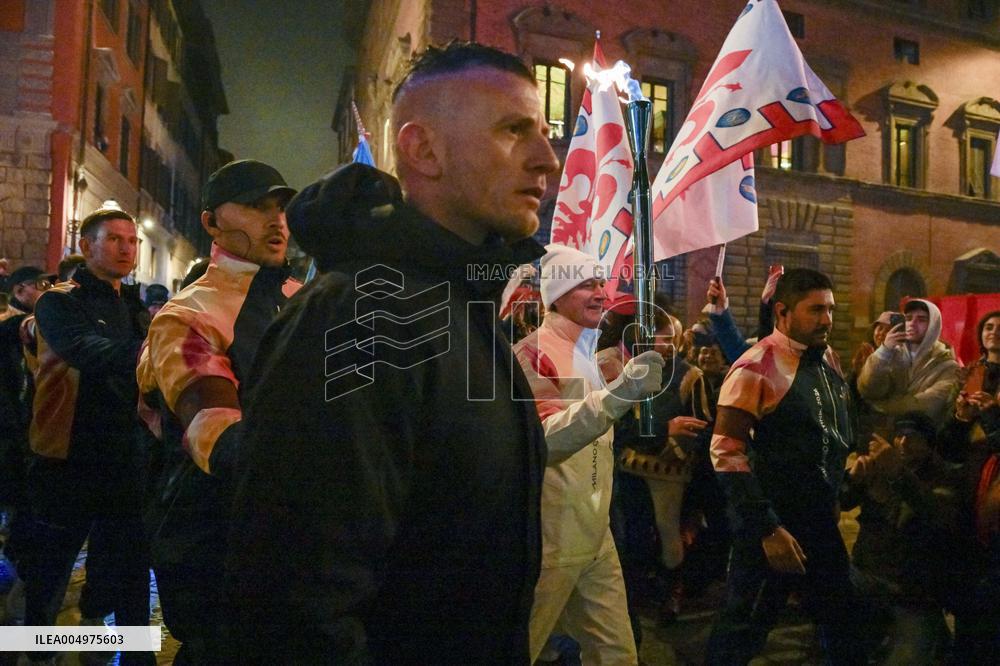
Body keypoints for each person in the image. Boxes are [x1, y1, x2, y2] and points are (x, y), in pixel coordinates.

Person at [224, 42, 560, 663]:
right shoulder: (359, 314)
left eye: (544, 132)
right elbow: (298, 606)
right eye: (515, 131)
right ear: (424, 149)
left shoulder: (464, 301)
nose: (546, 159)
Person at [136, 159, 299, 663]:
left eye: (280, 208)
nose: (276, 221)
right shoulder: (189, 314)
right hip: (218, 540)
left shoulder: (303, 300)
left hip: (297, 537)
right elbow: (215, 433)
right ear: (211, 222)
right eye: (256, 207)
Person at [705, 268, 865, 664]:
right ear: (782, 312)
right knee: (742, 629)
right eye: (815, 310)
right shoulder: (753, 367)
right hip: (772, 527)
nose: (827, 319)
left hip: (820, 522)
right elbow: (726, 453)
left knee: (843, 621)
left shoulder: (828, 357)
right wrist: (767, 528)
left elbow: (829, 430)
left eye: (830, 309)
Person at [512, 244, 664, 663]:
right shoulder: (532, 353)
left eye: (602, 283)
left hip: (596, 538)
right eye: (586, 285)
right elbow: (548, 440)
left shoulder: (592, 355)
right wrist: (620, 396)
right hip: (549, 542)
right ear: (556, 295)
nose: (601, 293)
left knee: (617, 656)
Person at [21, 204, 152, 665]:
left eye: (132, 241)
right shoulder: (60, 301)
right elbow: (84, 350)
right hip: (69, 455)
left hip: (126, 454)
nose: (126, 248)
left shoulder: (135, 307)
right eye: (114, 239)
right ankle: (36, 650)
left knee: (129, 566)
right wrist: (153, 354)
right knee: (52, 566)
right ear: (86, 246)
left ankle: (126, 650)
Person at [841, 412, 965, 664]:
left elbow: (936, 514)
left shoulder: (945, 475)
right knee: (844, 643)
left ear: (929, 443)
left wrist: (899, 474)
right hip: (867, 577)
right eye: (899, 436)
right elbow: (843, 501)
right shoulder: (881, 466)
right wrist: (853, 480)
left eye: (913, 437)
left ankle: (934, 636)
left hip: (913, 593)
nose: (903, 443)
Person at [616, 304, 710, 625]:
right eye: (657, 337)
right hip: (629, 466)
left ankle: (673, 589)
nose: (663, 344)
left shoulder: (690, 376)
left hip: (669, 469)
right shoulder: (629, 372)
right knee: (634, 531)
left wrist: (676, 445)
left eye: (669, 338)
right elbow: (619, 425)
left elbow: (701, 428)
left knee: (668, 530)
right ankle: (639, 589)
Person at [937, 310, 1000, 663]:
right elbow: (949, 445)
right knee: (968, 590)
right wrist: (961, 417)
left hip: (996, 496)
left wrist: (991, 414)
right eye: (989, 327)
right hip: (969, 488)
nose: (994, 332)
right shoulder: (970, 374)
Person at [858, 298, 960, 424]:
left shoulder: (948, 366)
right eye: (908, 318)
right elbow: (870, 390)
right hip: (882, 437)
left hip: (921, 439)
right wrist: (883, 351)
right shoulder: (891, 354)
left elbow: (926, 406)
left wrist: (879, 406)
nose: (912, 323)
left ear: (934, 325)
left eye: (921, 320)